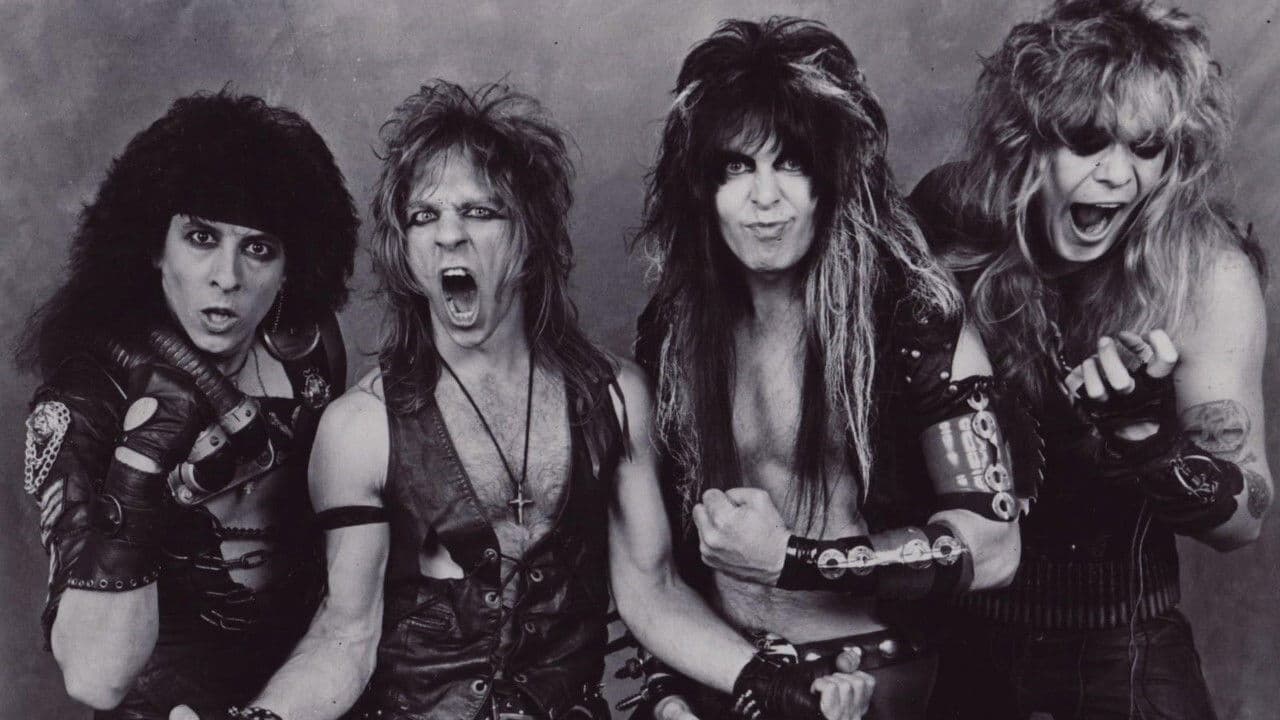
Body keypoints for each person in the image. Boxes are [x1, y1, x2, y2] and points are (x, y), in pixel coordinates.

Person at [191, 80, 875, 720]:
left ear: (527, 238)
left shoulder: (615, 397)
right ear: (405, 251)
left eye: (479, 211)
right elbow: (345, 634)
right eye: (424, 216)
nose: (448, 235)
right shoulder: (360, 428)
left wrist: (766, 680)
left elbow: (653, 592)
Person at [631, 16, 1032, 720]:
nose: (765, 198)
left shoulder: (911, 319)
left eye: (792, 163)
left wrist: (793, 559)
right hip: (730, 674)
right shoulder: (674, 329)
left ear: (832, 178)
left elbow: (994, 546)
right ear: (700, 186)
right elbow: (655, 560)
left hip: (877, 679)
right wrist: (667, 686)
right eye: (737, 167)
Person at [909, 1, 1272, 717]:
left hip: (1124, 635)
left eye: (1146, 148)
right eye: (1086, 140)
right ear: (1026, 142)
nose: (1117, 176)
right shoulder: (952, 221)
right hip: (964, 624)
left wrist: (1152, 442)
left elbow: (1245, 521)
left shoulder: (1204, 272)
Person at [16, 91, 359, 718]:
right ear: (155, 245)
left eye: (258, 248)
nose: (227, 277)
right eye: (202, 238)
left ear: (291, 266)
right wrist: (141, 458)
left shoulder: (308, 351)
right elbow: (95, 678)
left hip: (304, 691)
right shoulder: (86, 397)